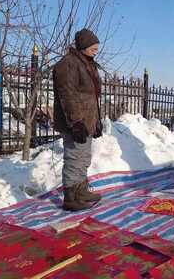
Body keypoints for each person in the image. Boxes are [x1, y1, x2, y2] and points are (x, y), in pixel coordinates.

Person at [53, 28, 103, 211]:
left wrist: (96, 120)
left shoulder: (87, 63)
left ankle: (81, 191)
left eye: (97, 47)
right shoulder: (69, 64)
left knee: (83, 157)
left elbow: (91, 96)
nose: (96, 50)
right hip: (75, 121)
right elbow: (68, 95)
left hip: (87, 119)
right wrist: (75, 122)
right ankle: (70, 197)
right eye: (93, 46)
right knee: (74, 157)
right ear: (83, 45)